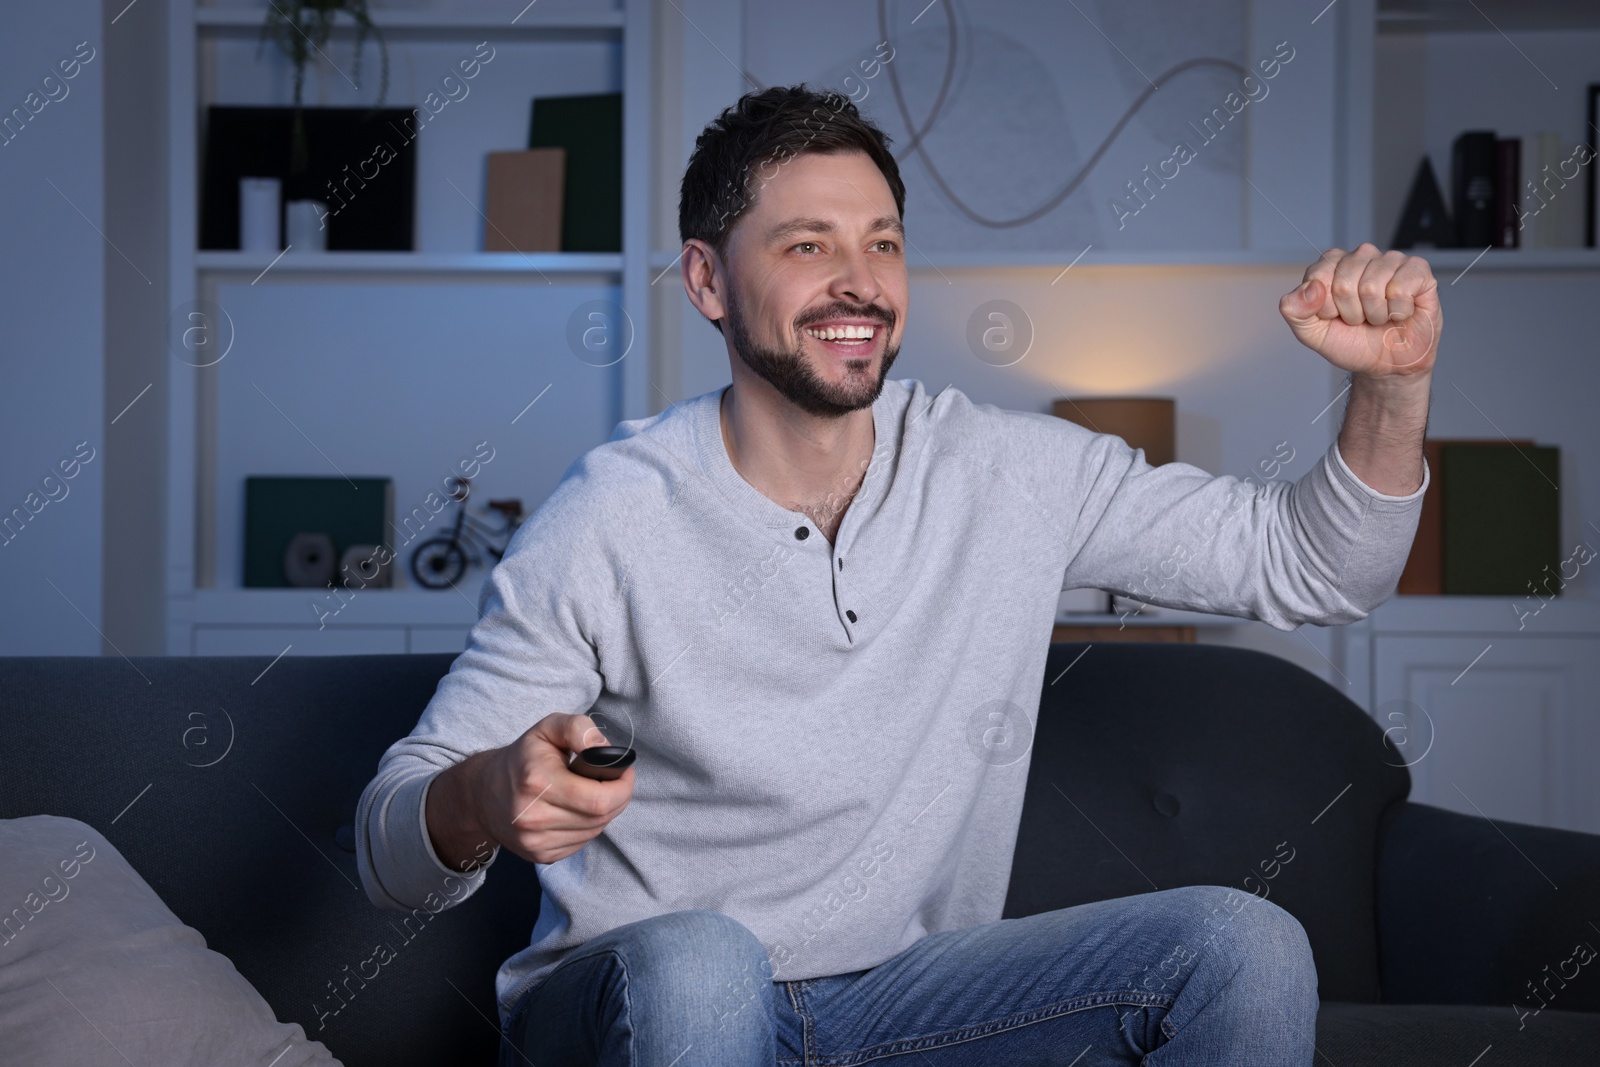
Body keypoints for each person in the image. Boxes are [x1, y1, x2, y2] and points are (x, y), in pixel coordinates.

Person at [355, 84, 1437, 1066]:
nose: (859, 281)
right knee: (704, 966)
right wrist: (486, 790)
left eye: (883, 242)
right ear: (706, 280)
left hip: (899, 1006)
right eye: (807, 245)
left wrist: (1392, 392)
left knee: (1240, 944)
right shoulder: (610, 514)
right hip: (636, 1006)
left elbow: (1312, 567)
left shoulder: (1007, 471)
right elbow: (389, 843)